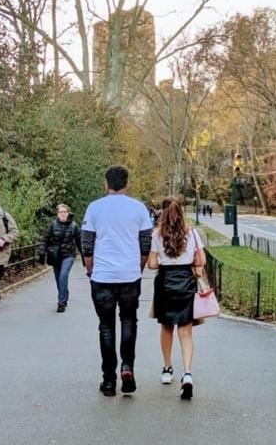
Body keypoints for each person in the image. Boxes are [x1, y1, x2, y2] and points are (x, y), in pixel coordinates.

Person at [81, 165, 152, 397]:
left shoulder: (94, 208)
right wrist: (138, 267)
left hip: (102, 276)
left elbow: (87, 243)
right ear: (127, 184)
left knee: (106, 326)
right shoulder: (139, 208)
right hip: (129, 276)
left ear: (106, 184)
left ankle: (109, 379)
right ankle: (127, 366)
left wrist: (90, 269)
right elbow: (145, 244)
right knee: (129, 321)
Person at [148, 197, 206, 400]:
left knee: (166, 327)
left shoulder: (157, 234)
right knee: (185, 330)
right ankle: (187, 373)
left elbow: (152, 264)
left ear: (162, 214)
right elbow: (201, 260)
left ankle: (167, 368)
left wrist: (164, 260)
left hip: (165, 282)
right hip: (186, 282)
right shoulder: (192, 233)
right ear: (182, 213)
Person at [38, 203, 83, 312]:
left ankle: (61, 303)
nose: (62, 214)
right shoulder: (52, 225)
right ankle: (65, 295)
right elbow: (45, 240)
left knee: (63, 276)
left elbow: (79, 242)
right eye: (60, 212)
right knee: (59, 279)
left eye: (64, 212)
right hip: (55, 256)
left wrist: (85, 258)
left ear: (68, 213)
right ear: (57, 214)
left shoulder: (74, 226)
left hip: (69, 255)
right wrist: (42, 253)